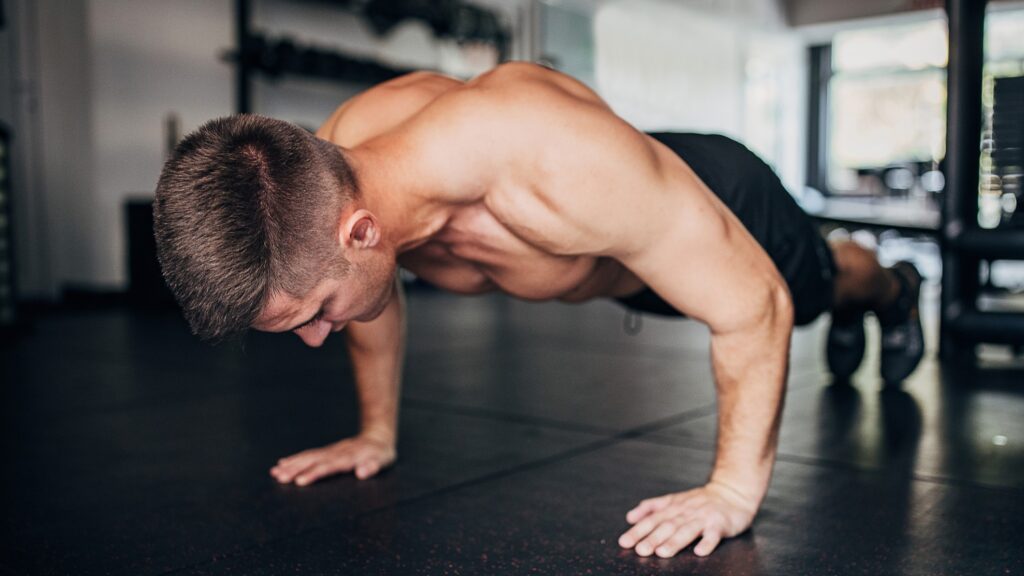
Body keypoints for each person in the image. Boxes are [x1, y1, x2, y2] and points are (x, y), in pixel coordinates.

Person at [153, 62, 924, 558]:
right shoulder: (331, 168)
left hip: (712, 196)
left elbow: (756, 304)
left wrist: (730, 492)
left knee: (823, 285)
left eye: (315, 313)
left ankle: (891, 286)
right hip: (624, 257)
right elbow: (363, 294)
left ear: (361, 231)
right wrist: (375, 433)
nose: (319, 336)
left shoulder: (548, 164)